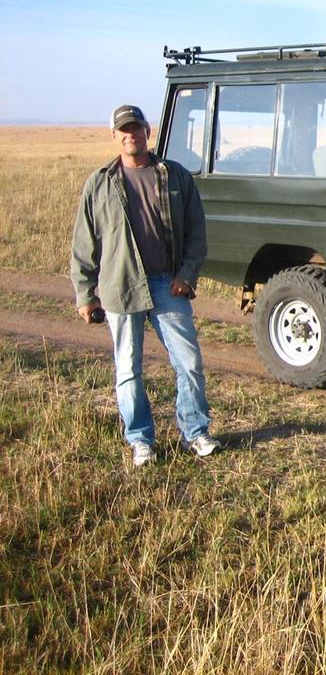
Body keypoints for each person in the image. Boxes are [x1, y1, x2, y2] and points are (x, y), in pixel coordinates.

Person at [71, 104, 222, 467]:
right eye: (123, 130)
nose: (130, 135)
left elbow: (197, 232)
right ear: (114, 136)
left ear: (147, 131)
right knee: (128, 368)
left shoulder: (175, 176)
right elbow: (84, 243)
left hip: (167, 285)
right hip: (120, 287)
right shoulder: (100, 182)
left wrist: (186, 275)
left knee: (189, 362)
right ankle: (141, 441)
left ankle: (195, 432)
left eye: (136, 128)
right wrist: (85, 294)